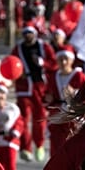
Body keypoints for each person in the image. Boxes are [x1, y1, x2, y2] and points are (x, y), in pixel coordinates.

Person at [14, 25, 57, 160]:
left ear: (35, 34)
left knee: (40, 118)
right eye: (25, 33)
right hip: (24, 87)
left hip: (40, 87)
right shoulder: (18, 49)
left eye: (30, 33)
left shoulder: (44, 47)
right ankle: (25, 149)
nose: (27, 35)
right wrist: (17, 74)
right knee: (24, 118)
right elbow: (11, 65)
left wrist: (42, 62)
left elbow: (54, 64)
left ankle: (39, 145)